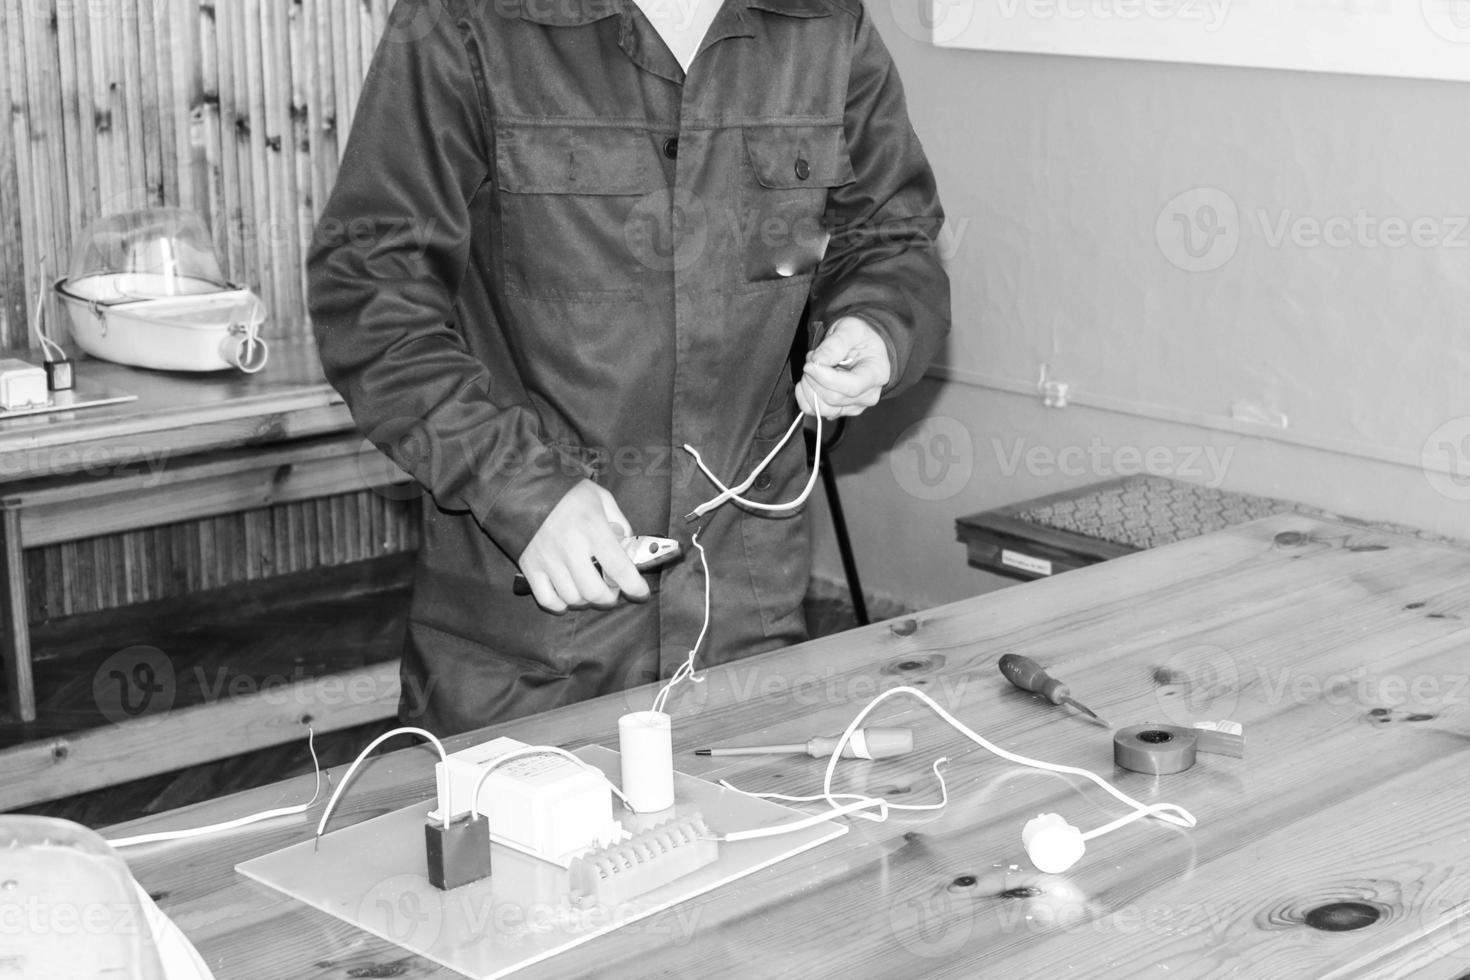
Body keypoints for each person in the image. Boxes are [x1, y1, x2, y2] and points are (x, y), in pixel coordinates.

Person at [307, 0, 951, 735]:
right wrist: (518, 486)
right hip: (530, 630)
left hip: (743, 617)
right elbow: (368, 291)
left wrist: (876, 321)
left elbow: (892, 238)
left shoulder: (825, 24)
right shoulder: (461, 21)